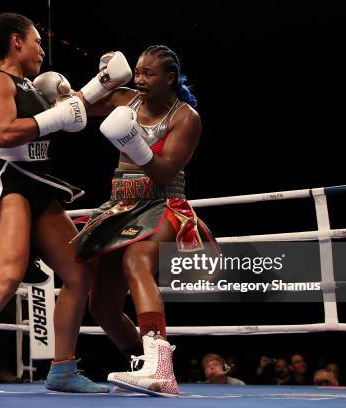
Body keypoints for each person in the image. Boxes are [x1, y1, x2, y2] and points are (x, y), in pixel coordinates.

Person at [0, 12, 129, 395]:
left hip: (40, 182)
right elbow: (4, 133)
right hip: (12, 180)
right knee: (6, 276)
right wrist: (56, 115)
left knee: (79, 273)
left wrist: (103, 82)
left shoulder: (31, 87)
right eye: (37, 40)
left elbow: (70, 110)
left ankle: (63, 368)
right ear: (16, 41)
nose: (42, 48)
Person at [71, 45, 219, 396]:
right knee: (103, 306)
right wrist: (100, 82)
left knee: (137, 261)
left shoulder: (186, 118)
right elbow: (73, 111)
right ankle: (144, 364)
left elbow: (166, 172)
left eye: (148, 73)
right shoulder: (125, 100)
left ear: (170, 78)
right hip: (121, 206)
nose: (139, 79)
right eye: (137, 71)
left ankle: (162, 370)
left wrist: (132, 141)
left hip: (164, 202)